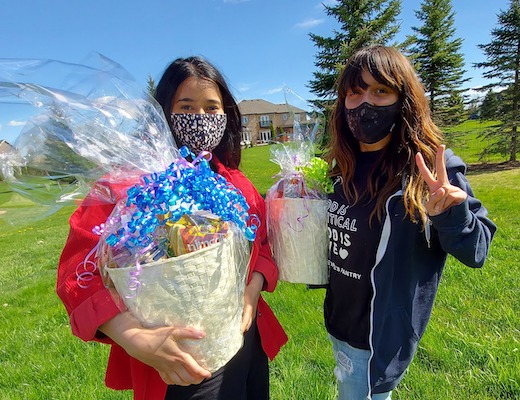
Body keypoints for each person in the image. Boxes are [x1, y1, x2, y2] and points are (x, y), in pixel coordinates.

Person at [56, 56, 288, 400]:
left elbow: (262, 243)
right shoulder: (130, 186)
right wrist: (131, 335)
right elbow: (78, 273)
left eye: (212, 108)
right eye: (187, 106)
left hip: (246, 344)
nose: (201, 118)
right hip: (176, 363)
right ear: (164, 111)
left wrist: (250, 292)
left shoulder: (234, 183)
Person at [323, 45, 497, 399]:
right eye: (354, 93)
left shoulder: (430, 169)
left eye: (380, 90)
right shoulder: (341, 165)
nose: (365, 104)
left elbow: (477, 249)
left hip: (378, 336)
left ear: (404, 98)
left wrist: (449, 213)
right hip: (338, 322)